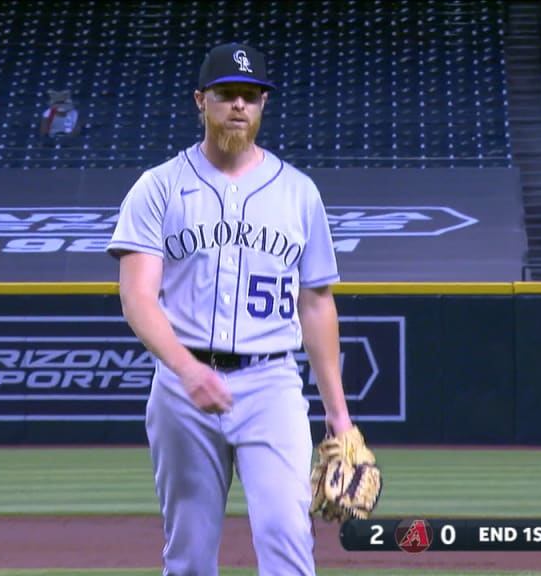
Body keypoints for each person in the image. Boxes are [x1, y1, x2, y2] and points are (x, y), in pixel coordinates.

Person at [106, 43, 356, 575]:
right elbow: (137, 297)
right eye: (226, 95)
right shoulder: (158, 188)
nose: (239, 106)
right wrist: (186, 368)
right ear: (201, 100)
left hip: (272, 383)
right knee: (189, 553)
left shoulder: (298, 193)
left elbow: (317, 305)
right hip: (181, 388)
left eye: (251, 95)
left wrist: (339, 417)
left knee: (288, 536)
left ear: (263, 104)